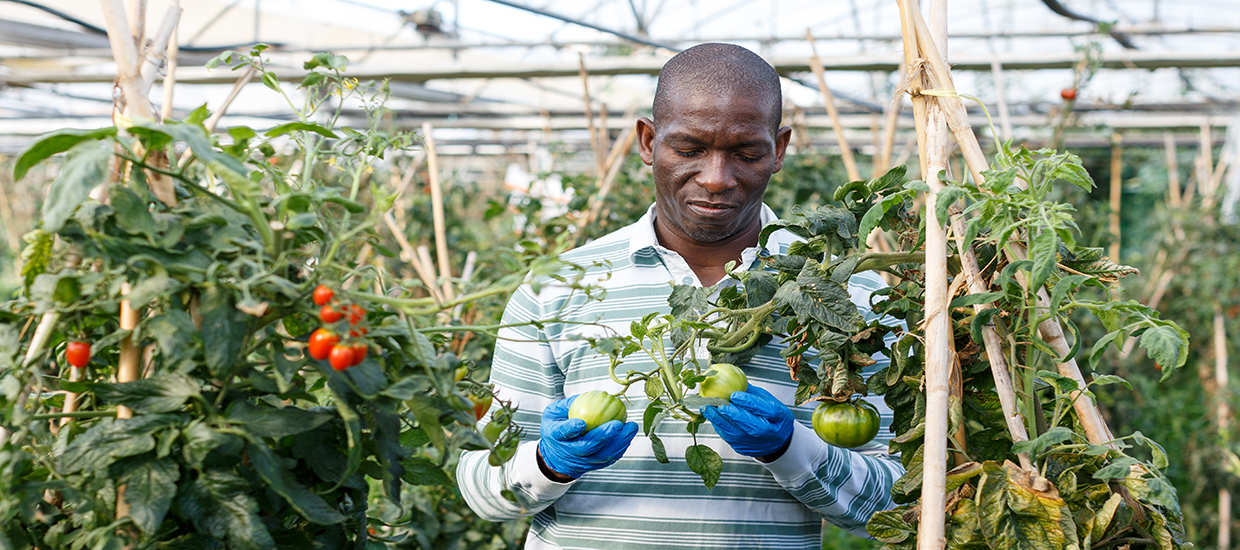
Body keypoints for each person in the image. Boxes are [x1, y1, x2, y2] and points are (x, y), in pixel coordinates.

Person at [458, 43, 904, 550]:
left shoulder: (846, 297)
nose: (716, 178)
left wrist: (790, 450)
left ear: (779, 150)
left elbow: (898, 502)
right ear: (648, 142)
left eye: (747, 153)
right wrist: (547, 464)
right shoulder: (558, 286)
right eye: (690, 150)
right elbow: (482, 485)